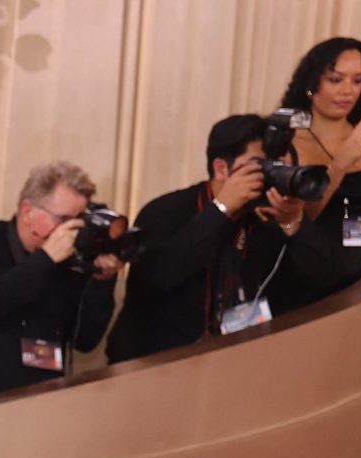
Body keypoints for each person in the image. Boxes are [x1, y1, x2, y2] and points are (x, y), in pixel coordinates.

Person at [110, 115, 307, 363]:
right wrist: (220, 211)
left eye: (274, 167)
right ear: (222, 169)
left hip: (238, 359)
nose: (267, 177)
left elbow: (323, 277)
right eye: (258, 167)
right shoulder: (165, 211)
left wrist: (294, 221)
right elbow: (159, 277)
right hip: (156, 362)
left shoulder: (267, 217)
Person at [0, 162, 123, 400]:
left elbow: (85, 340)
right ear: (27, 212)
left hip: (42, 399)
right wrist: (45, 260)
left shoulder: (71, 260)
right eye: (63, 219)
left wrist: (102, 280)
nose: (72, 231)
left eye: (79, 221)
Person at [266, 38, 361, 313]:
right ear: (312, 83)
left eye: (357, 81)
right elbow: (298, 217)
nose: (347, 91)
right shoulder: (288, 141)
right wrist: (342, 160)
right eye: (336, 80)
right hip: (308, 273)